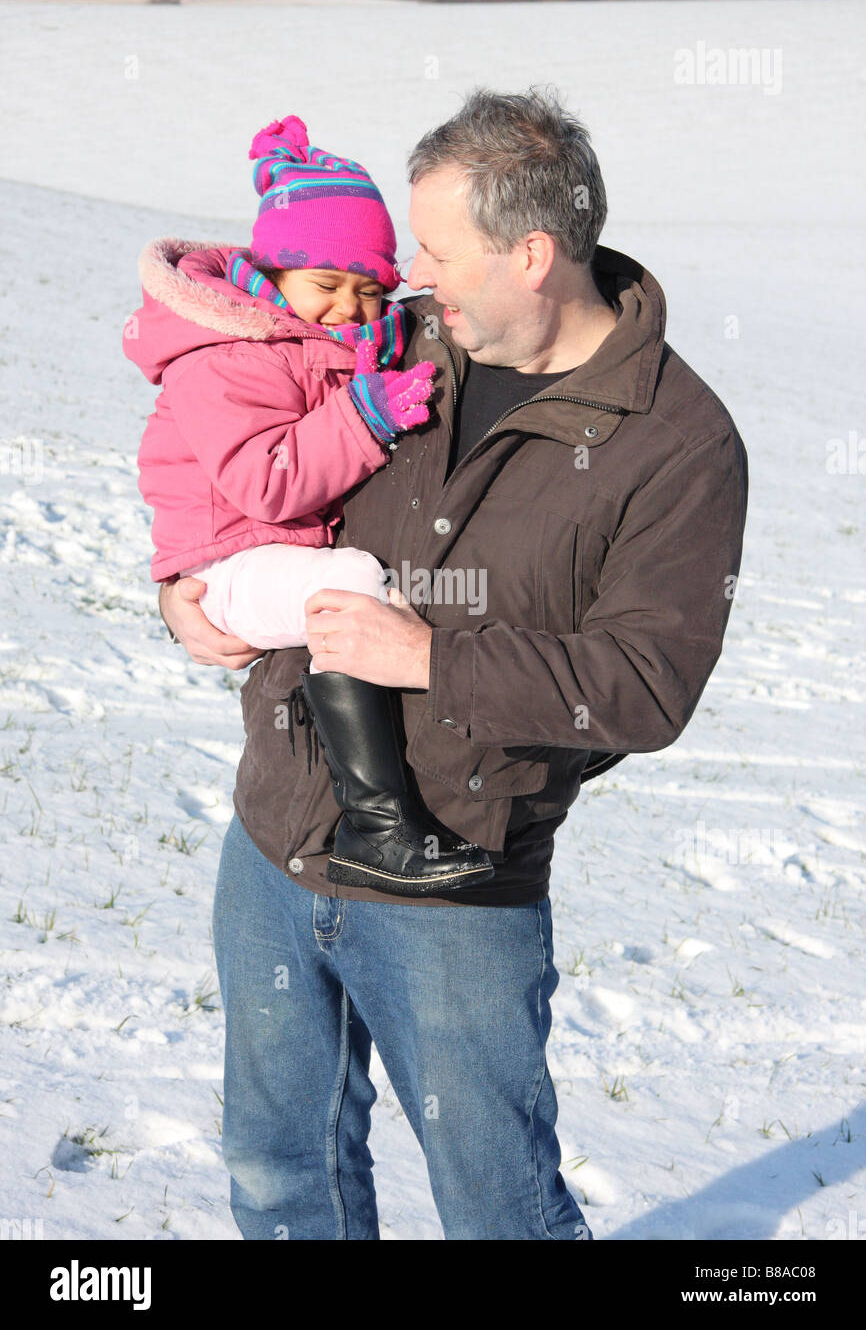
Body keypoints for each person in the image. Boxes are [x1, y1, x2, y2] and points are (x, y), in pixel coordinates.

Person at [160, 88, 748, 1241]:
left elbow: (645, 683)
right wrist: (182, 592)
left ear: (531, 254)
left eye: (434, 248)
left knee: (498, 1210)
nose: (408, 274)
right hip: (275, 839)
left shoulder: (675, 443)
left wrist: (431, 656)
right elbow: (230, 451)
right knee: (279, 1172)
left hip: (457, 882)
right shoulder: (384, 341)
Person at [125, 115, 493, 897]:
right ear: (273, 275)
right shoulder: (226, 357)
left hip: (260, 556)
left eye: (370, 292)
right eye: (327, 287)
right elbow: (266, 482)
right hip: (224, 565)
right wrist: (364, 417)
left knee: (364, 594)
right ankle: (380, 822)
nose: (349, 310)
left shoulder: (316, 344)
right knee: (354, 587)